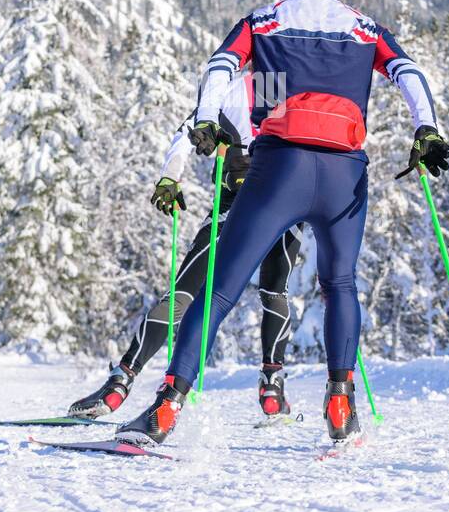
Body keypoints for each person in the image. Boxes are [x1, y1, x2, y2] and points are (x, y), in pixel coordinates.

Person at [117, 0, 449, 447]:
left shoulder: (264, 21)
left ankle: (166, 408)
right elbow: (409, 72)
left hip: (280, 170)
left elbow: (220, 68)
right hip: (344, 175)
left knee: (221, 289)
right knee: (339, 285)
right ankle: (340, 403)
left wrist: (207, 121)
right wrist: (426, 130)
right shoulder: (366, 29)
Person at [68, 71, 304, 421]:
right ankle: (272, 386)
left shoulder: (228, 86)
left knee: (183, 296)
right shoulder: (294, 85)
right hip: (288, 203)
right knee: (274, 292)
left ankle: (120, 383)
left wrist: (170, 176)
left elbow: (185, 133)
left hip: (234, 205)